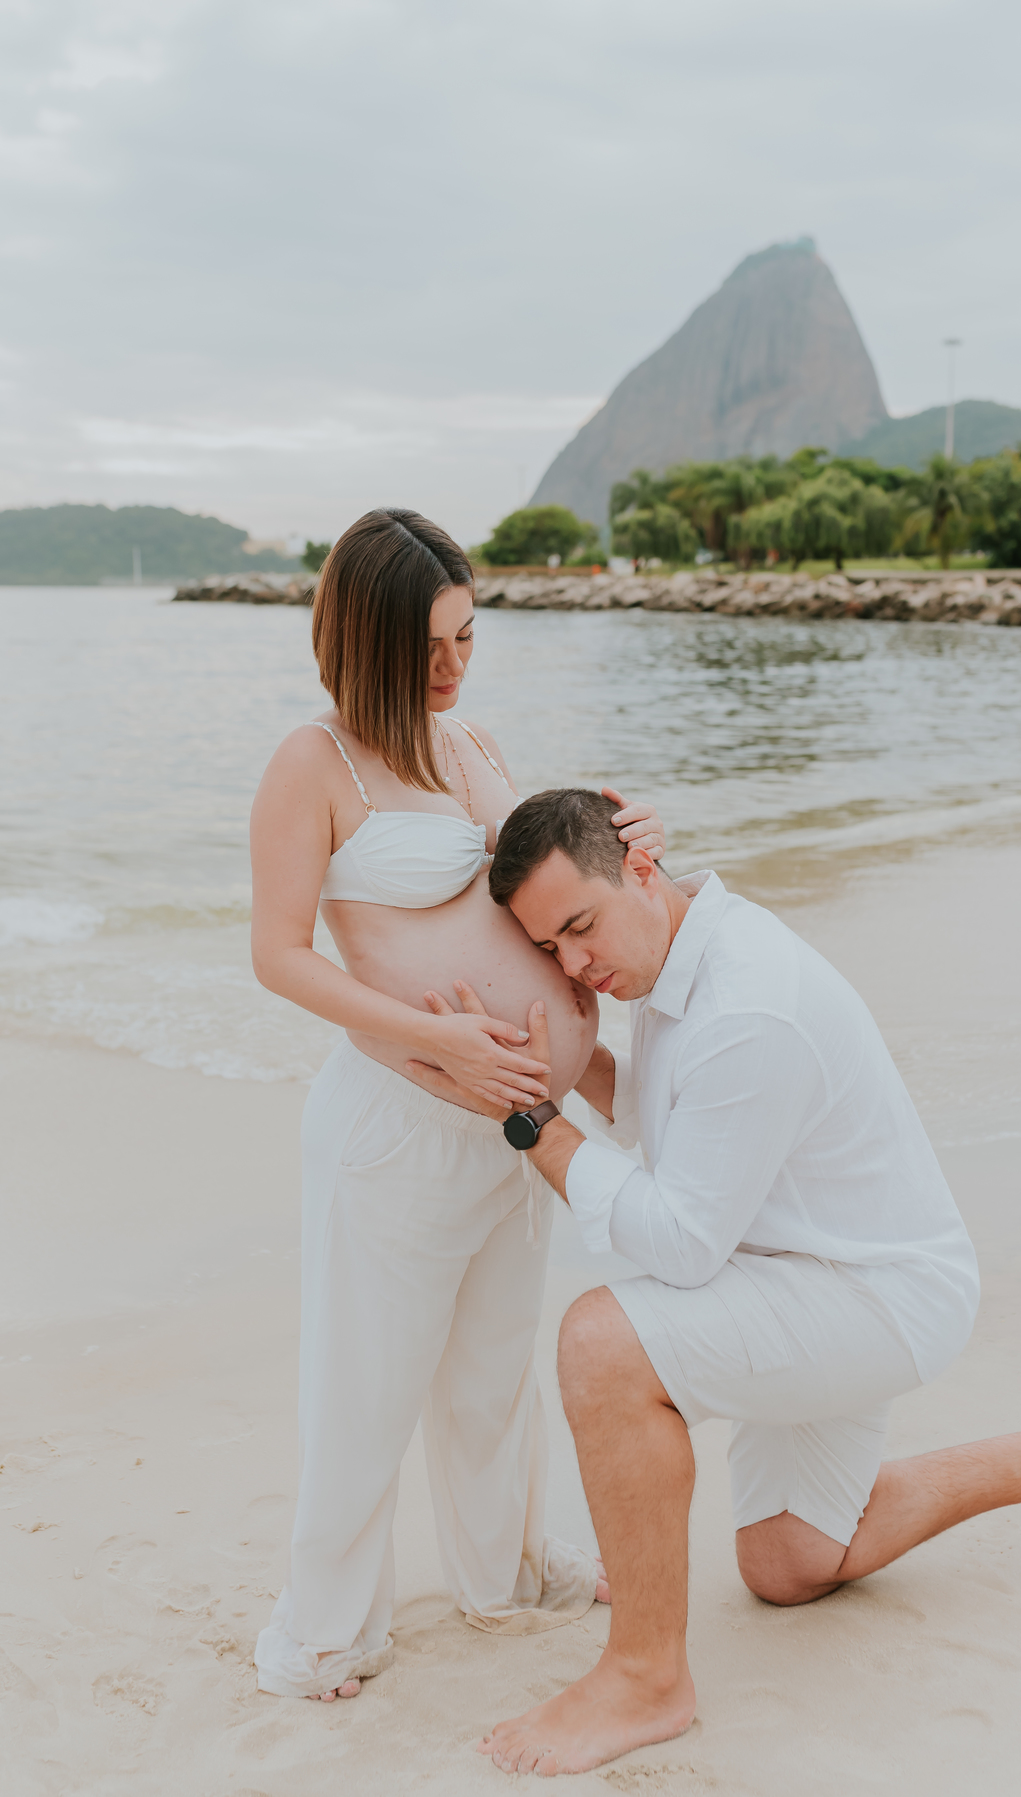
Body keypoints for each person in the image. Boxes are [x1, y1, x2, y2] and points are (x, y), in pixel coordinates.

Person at [404, 788, 1021, 1778]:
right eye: (550, 950)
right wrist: (570, 1068)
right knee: (790, 1566)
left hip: (875, 1296)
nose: (575, 965)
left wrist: (530, 1117)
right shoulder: (680, 955)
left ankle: (645, 1678)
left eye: (580, 927)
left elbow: (683, 1244)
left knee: (602, 1343)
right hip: (821, 1273)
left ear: (642, 870)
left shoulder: (747, 1003)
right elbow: (688, 1122)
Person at [248, 516, 664, 1702]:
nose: (453, 667)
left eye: (469, 637)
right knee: (366, 1386)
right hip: (400, 1131)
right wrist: (442, 1041)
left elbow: (545, 894)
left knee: (492, 1373)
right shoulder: (312, 764)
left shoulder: (470, 743)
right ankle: (323, 1634)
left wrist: (634, 846)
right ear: (362, 640)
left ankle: (505, 1575)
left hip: (512, 1130)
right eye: (430, 646)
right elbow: (280, 955)